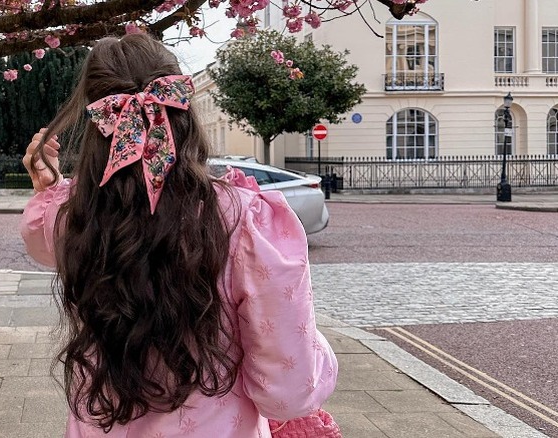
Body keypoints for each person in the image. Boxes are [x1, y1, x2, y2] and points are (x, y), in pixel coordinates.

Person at [20, 33, 337, 438]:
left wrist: (48, 186)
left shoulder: (74, 218)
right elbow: (289, 391)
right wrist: (317, 352)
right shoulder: (243, 221)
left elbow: (39, 238)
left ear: (98, 123)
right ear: (182, 108)